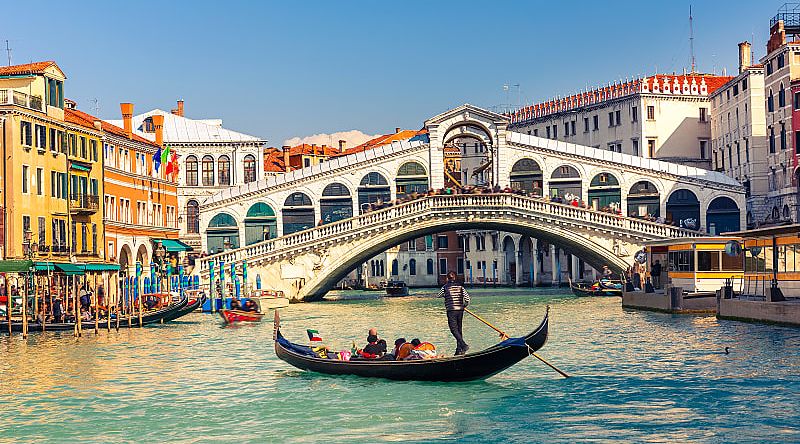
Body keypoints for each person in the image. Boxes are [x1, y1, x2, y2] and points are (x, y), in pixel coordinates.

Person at [437, 271, 470, 355]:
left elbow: (438, 295)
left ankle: (463, 345)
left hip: (451, 310)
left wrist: (446, 295)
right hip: (460, 310)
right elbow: (467, 299)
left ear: (447, 278)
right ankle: (459, 350)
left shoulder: (445, 287)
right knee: (459, 329)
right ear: (455, 278)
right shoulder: (461, 287)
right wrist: (464, 306)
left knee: (453, 330)